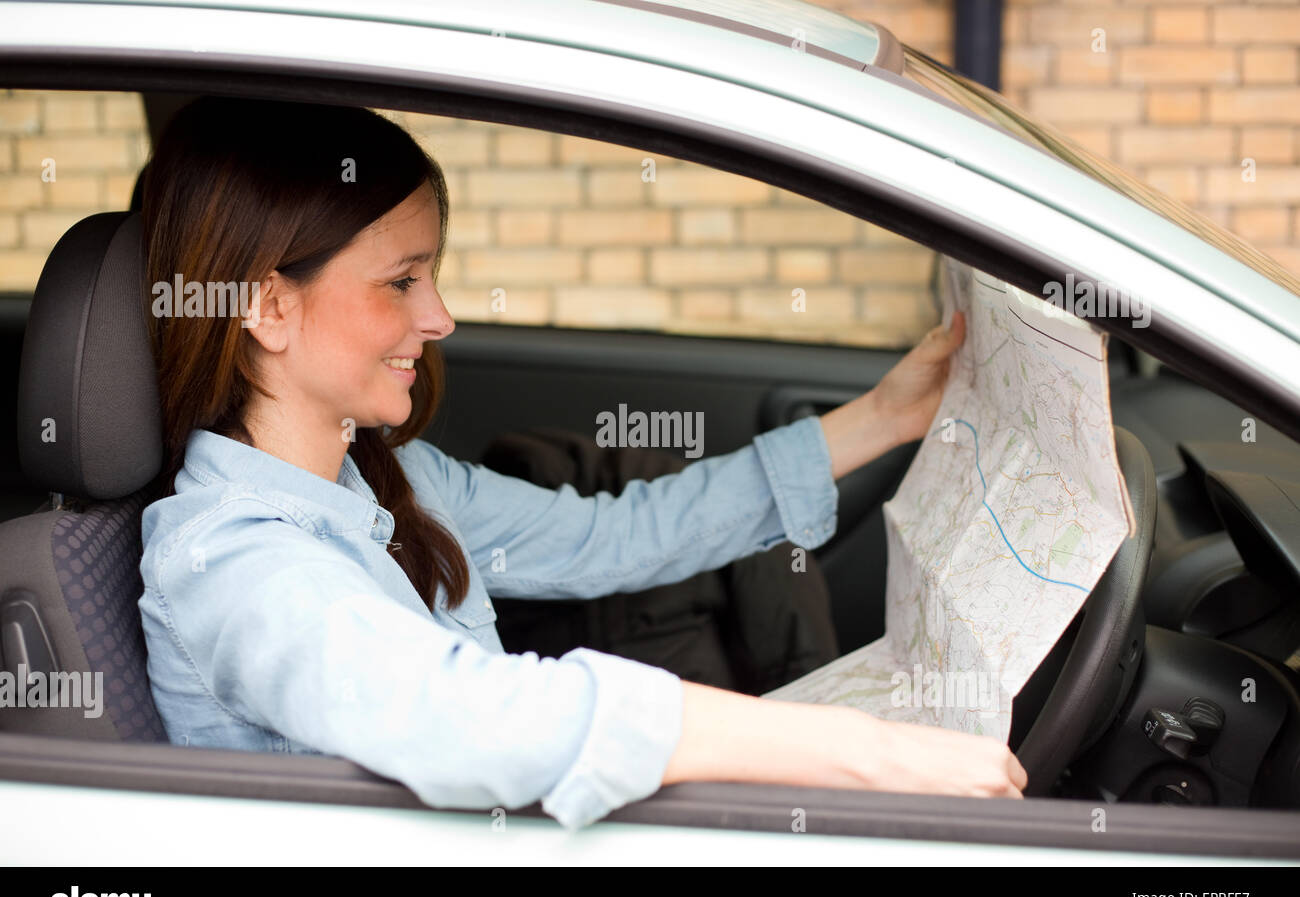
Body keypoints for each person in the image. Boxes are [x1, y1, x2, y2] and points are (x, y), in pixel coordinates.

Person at [137, 96, 1026, 830]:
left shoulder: (384, 481)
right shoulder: (237, 566)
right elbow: (476, 717)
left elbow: (618, 538)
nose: (440, 315)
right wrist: (871, 752)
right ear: (269, 308)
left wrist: (883, 418)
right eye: (403, 280)